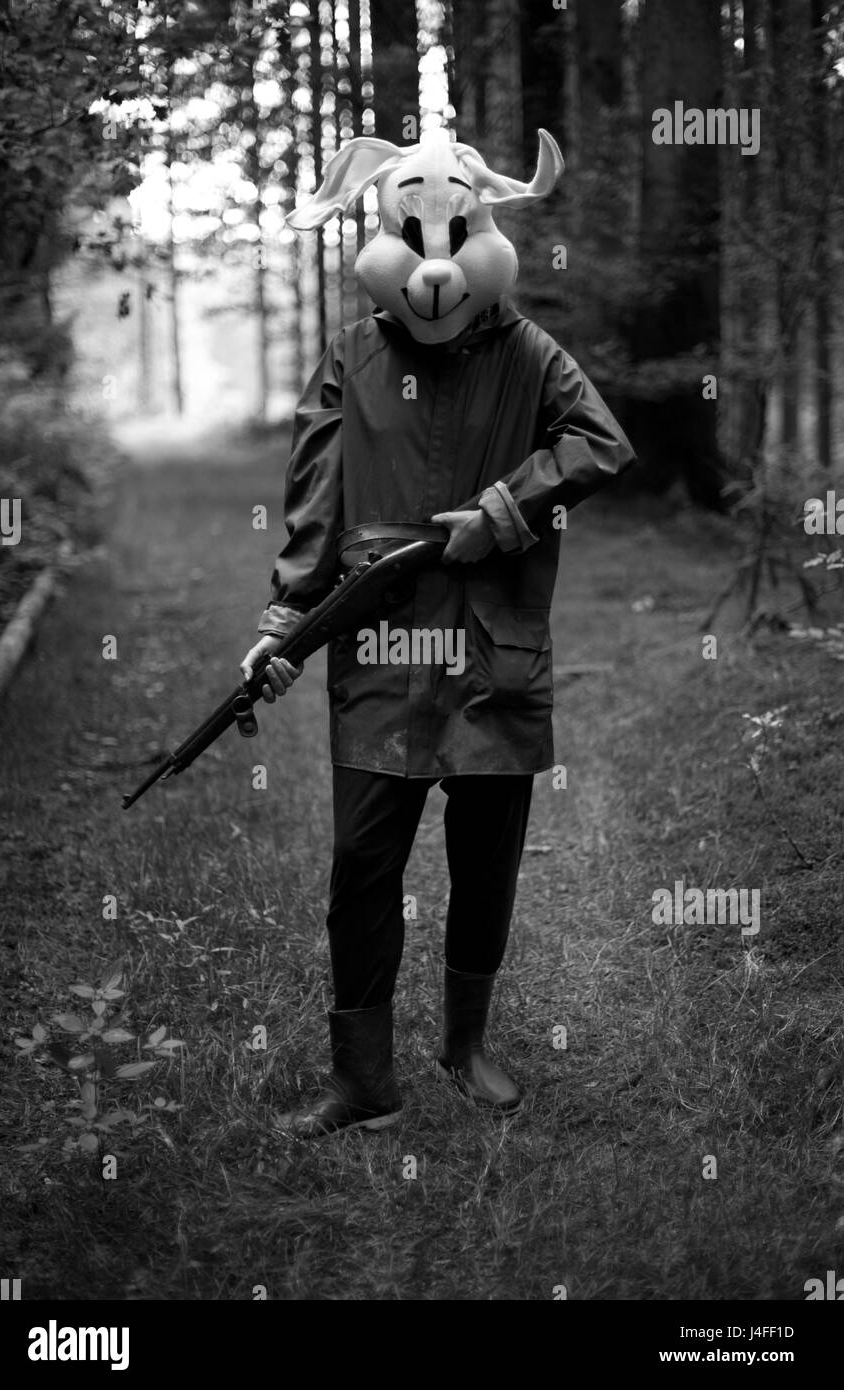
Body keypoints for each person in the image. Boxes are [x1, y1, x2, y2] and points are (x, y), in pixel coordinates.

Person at [240, 126, 635, 1137]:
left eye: (453, 234)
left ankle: (465, 1044)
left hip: (491, 641)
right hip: (376, 643)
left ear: (483, 227)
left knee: (485, 853)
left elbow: (600, 441)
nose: (430, 271)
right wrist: (288, 615)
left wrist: (505, 508)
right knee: (361, 861)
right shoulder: (352, 357)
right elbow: (317, 498)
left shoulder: (529, 352)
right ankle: (362, 1079)